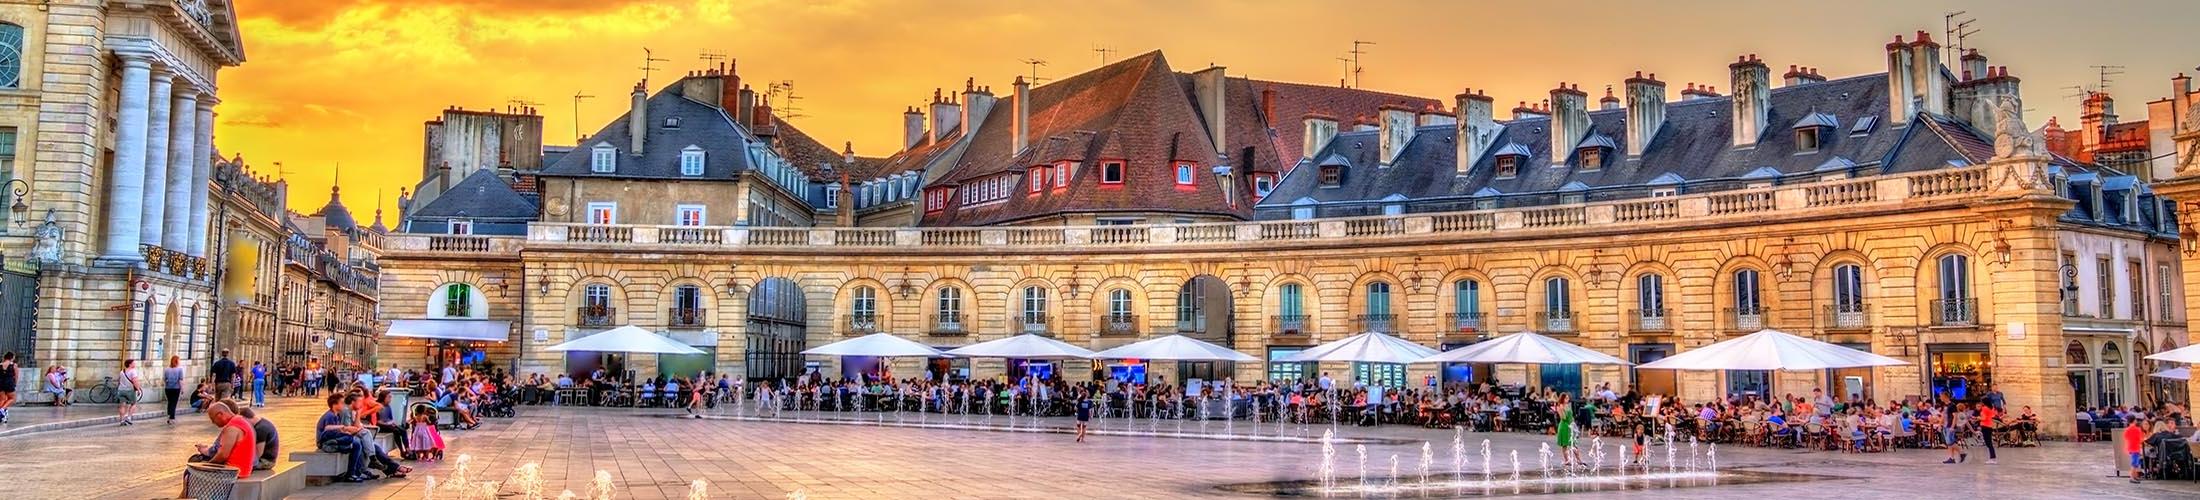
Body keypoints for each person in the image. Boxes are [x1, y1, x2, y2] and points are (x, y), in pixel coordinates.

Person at [191, 401, 255, 479]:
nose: (213, 423)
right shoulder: (240, 420)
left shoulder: (232, 427)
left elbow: (223, 455)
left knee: (190, 471)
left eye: (213, 419)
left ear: (220, 415)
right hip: (242, 470)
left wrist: (207, 465)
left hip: (233, 472)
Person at [240, 405, 280, 470]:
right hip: (267, 458)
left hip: (266, 461)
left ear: (244, 418)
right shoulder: (261, 422)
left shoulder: (260, 429)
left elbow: (258, 453)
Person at [117, 359, 144, 426]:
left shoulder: (122, 372)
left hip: (121, 390)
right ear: (130, 364)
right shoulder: (133, 371)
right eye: (133, 363)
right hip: (130, 391)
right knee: (133, 404)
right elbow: (135, 381)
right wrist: (138, 389)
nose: (135, 364)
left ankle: (122, 420)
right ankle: (128, 418)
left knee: (122, 405)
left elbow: (119, 381)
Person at [2126, 417, 2149, 483]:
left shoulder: (2128, 429)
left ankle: (2135, 476)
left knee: (2135, 463)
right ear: (2134, 421)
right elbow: (2140, 439)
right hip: (2135, 448)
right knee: (2135, 463)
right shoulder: (2136, 429)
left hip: (2130, 447)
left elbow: (2126, 436)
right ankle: (2132, 477)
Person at [0, 351, 18, 423]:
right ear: (12, 357)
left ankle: (2, 413)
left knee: (2, 399)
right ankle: (2, 409)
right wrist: (15, 384)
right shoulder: (14, 365)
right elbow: (16, 376)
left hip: (0, 383)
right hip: (9, 382)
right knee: (12, 398)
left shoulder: (0, 364)